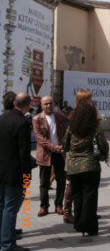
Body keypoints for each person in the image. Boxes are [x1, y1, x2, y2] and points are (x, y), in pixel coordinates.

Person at [63, 89, 109, 236]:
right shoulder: (94, 129)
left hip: (74, 168)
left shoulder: (71, 128)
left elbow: (64, 145)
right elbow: (104, 146)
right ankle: (90, 227)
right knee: (90, 197)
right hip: (90, 166)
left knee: (77, 195)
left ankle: (78, 224)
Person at [0, 92, 32, 251]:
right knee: (11, 208)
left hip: (1, 170)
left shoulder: (2, 118)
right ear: (28, 105)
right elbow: (23, 153)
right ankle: (7, 245)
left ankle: (3, 240)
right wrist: (28, 173)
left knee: (2, 206)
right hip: (14, 173)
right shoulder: (22, 123)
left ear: (14, 104)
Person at [33, 96, 68, 217]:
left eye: (50, 103)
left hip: (60, 154)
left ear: (54, 104)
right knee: (44, 182)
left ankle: (59, 205)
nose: (48, 105)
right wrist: (54, 147)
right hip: (45, 154)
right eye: (46, 104)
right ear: (41, 106)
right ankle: (44, 206)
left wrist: (64, 146)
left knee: (61, 180)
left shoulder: (60, 117)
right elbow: (40, 139)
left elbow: (66, 132)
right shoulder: (37, 119)